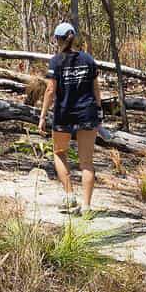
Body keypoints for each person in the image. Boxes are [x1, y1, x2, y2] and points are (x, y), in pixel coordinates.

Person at [38, 21, 101, 215]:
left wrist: (42, 116)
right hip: (87, 113)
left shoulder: (56, 61)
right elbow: (96, 88)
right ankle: (87, 207)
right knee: (87, 163)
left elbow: (50, 90)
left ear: (58, 40)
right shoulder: (89, 60)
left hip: (64, 113)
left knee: (59, 152)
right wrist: (98, 108)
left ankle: (69, 196)